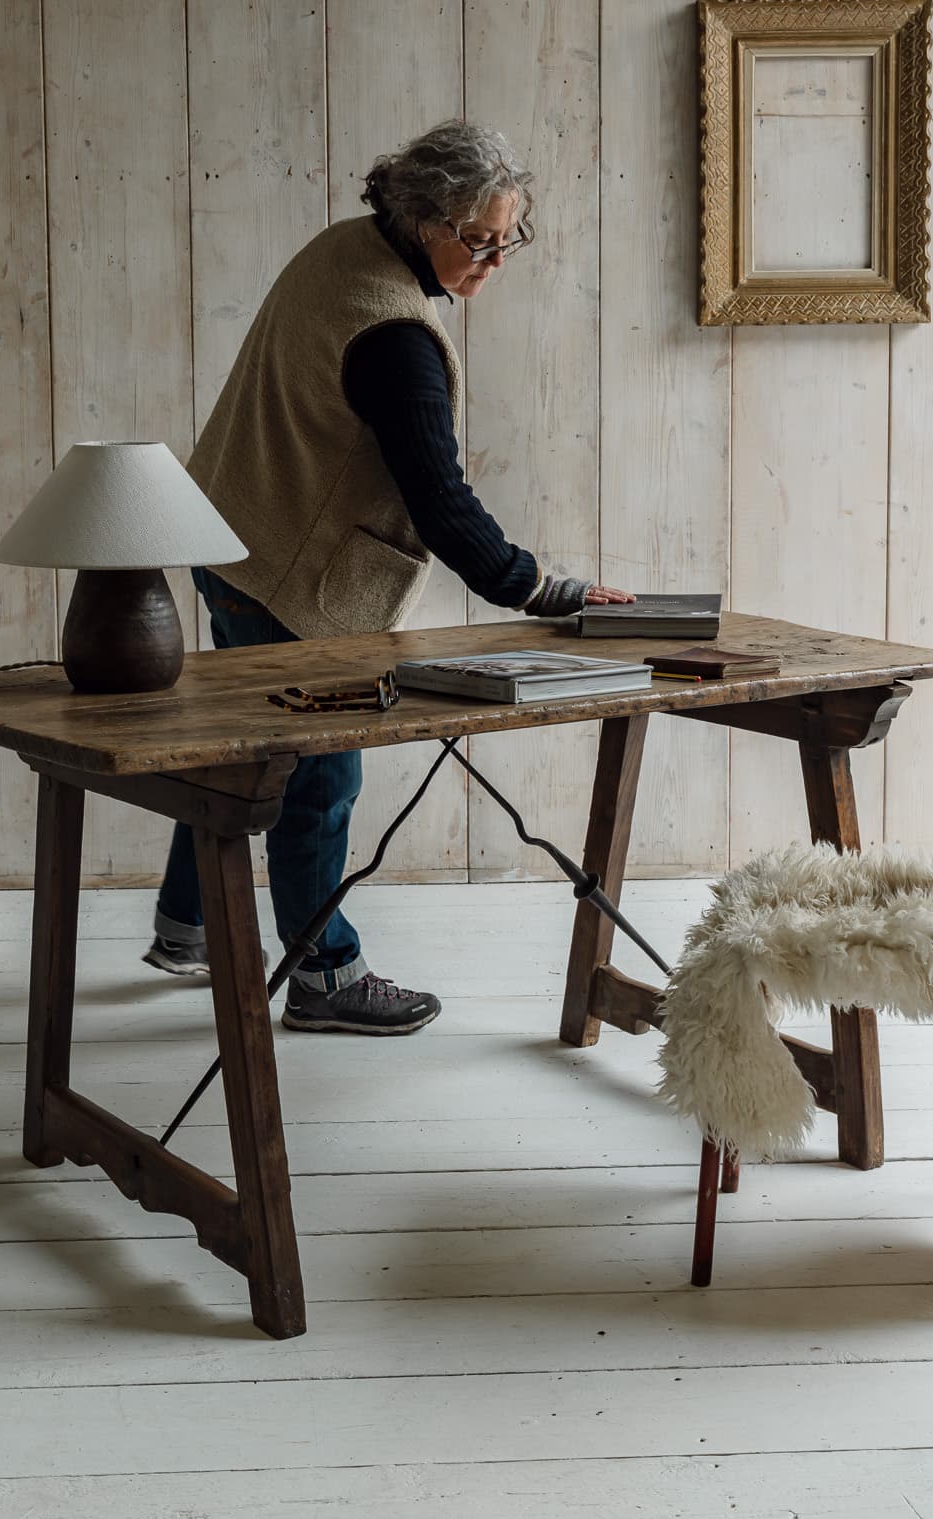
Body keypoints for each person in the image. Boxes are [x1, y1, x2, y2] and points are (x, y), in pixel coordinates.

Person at [144, 120, 634, 1033]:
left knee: (244, 752)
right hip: (296, 579)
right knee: (313, 783)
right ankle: (324, 979)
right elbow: (442, 503)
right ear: (417, 219)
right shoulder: (394, 339)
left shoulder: (343, 247)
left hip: (231, 535)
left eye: (508, 237)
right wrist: (543, 590)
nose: (494, 261)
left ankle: (186, 924)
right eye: (478, 240)